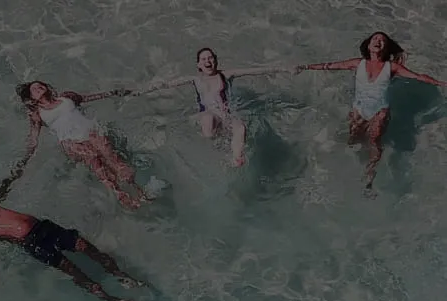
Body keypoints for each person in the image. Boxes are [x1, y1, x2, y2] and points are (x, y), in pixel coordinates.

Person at [297, 32, 447, 192]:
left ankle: (369, 176)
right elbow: (331, 65)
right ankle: (350, 169)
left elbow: (418, 76)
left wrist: (440, 83)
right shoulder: (358, 63)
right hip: (359, 110)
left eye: (382, 40)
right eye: (375, 39)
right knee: (353, 140)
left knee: (374, 141)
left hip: (379, 112)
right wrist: (305, 67)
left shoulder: (391, 67)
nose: (378, 41)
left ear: (386, 48)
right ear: (368, 45)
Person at [0, 198, 140, 301]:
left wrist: (29, 151)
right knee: (75, 272)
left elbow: (11, 178)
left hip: (46, 228)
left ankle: (121, 276)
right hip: (33, 243)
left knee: (89, 249)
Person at [131, 47, 293, 166]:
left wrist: (284, 69)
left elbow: (256, 70)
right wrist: (138, 91)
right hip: (208, 116)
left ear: (215, 61)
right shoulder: (195, 79)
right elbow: (166, 84)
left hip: (226, 116)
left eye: (210, 58)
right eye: (203, 59)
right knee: (208, 119)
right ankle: (215, 146)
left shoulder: (225, 75)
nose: (207, 61)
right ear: (199, 65)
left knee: (241, 127)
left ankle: (236, 158)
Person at [16, 80, 147, 209]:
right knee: (96, 162)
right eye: (34, 89)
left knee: (113, 159)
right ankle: (119, 194)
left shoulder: (66, 97)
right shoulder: (37, 114)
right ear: (31, 98)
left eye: (40, 85)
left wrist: (112, 93)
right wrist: (25, 160)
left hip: (90, 132)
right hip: (72, 143)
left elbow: (88, 98)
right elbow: (33, 139)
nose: (38, 88)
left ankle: (137, 189)